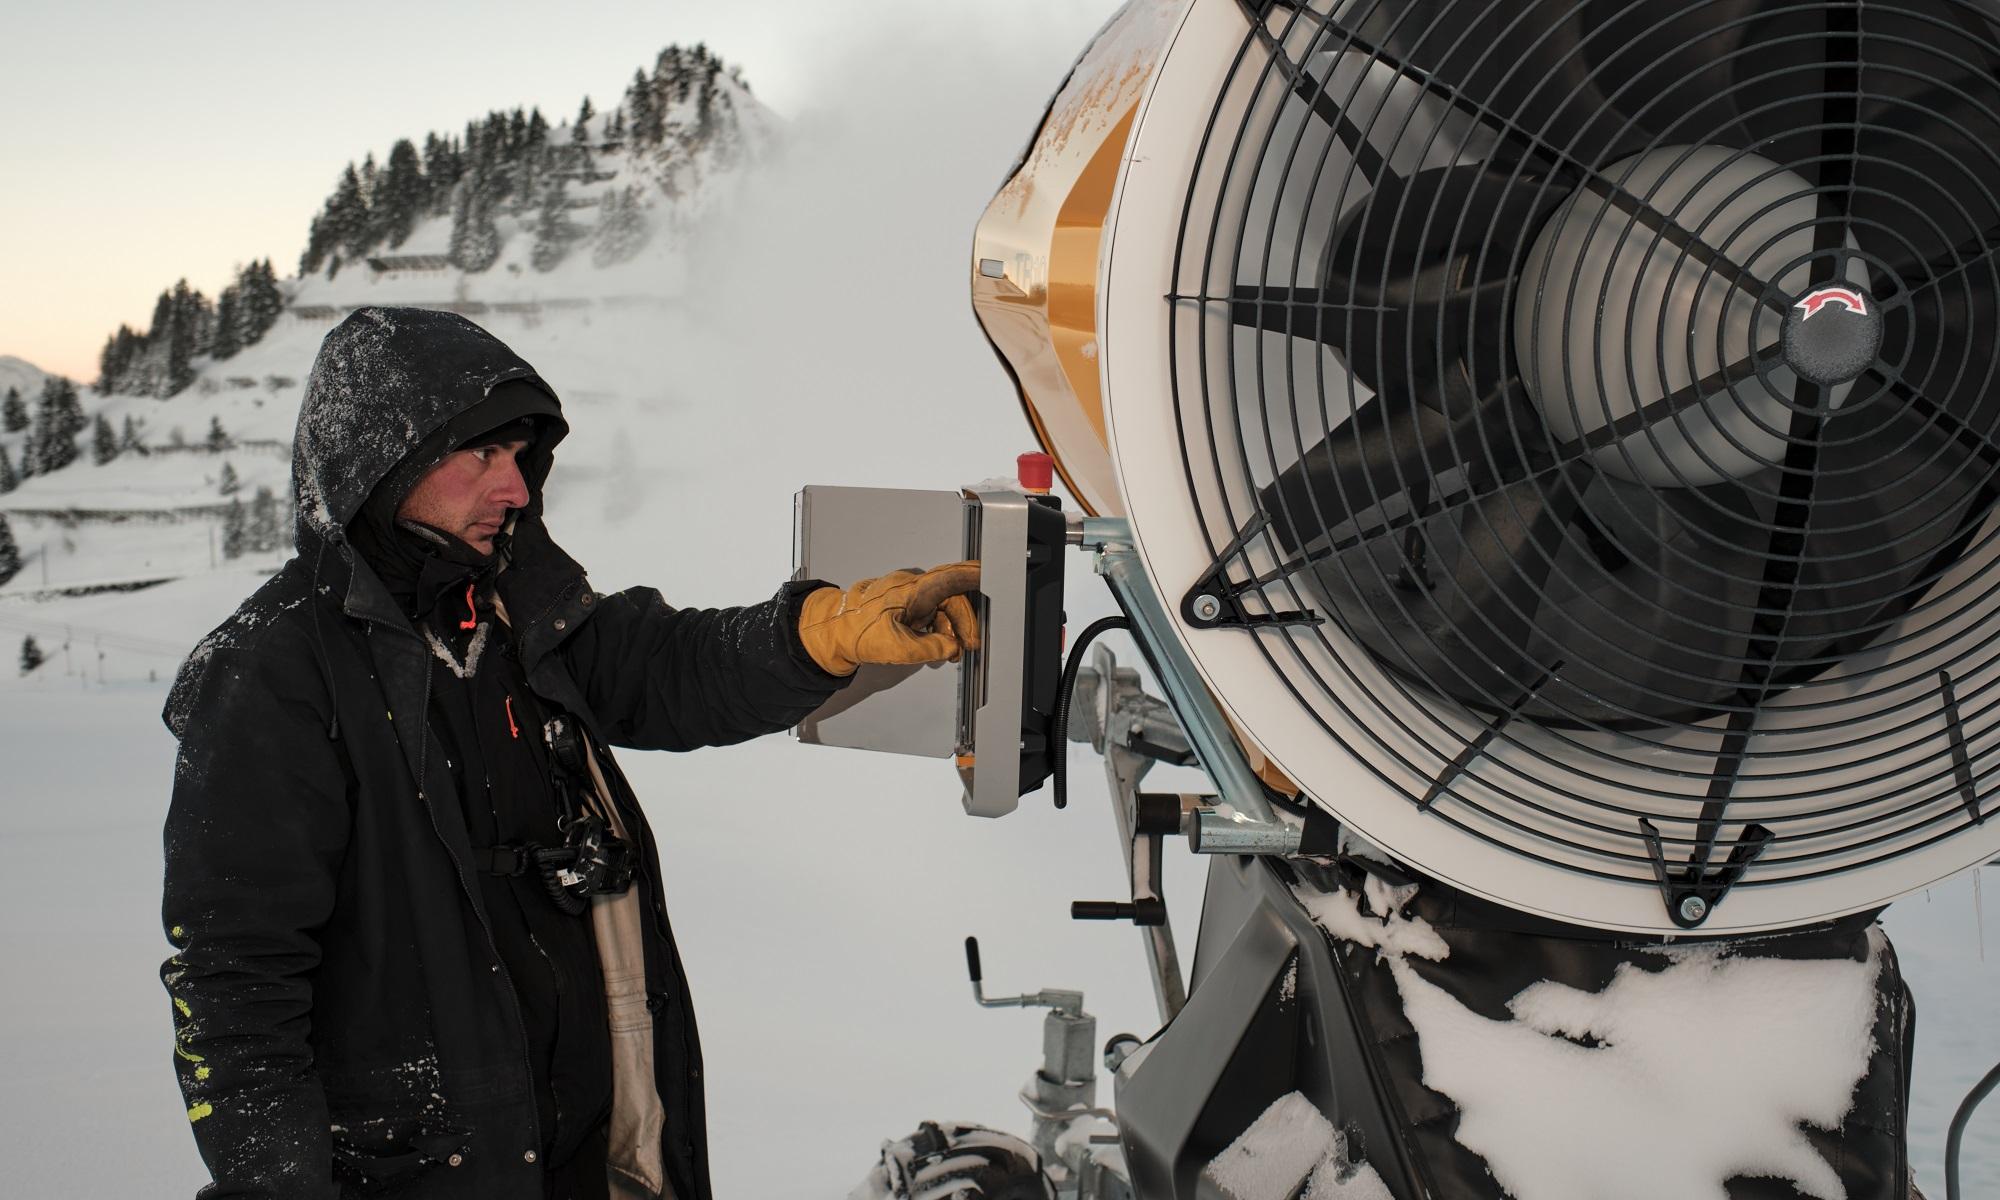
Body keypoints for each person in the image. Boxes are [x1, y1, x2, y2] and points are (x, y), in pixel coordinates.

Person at [160, 306, 981, 1200]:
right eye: (481, 456)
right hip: (420, 1172)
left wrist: (827, 633)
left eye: (520, 459)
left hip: (586, 1149)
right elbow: (235, 985)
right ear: (382, 460)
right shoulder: (270, 673)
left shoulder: (512, 615)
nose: (513, 489)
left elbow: (673, 669)